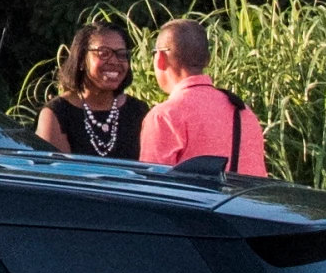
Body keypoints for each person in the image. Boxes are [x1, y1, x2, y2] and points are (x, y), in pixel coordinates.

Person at [135, 14, 269, 179]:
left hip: (191, 205)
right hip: (242, 204)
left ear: (160, 59)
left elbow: (153, 187)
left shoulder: (165, 116)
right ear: (208, 60)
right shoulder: (243, 112)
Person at [32, 18, 145, 159]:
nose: (114, 61)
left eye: (122, 54)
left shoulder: (139, 111)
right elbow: (57, 175)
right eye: (103, 53)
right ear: (81, 60)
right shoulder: (56, 114)